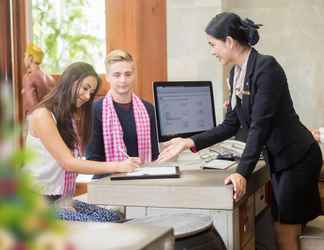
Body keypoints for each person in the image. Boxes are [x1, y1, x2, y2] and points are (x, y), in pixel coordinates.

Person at [158, 12, 322, 250]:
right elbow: (231, 124)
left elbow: (260, 125)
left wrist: (242, 172)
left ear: (230, 42)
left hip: (297, 158)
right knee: (286, 228)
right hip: (282, 159)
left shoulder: (267, 68)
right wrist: (190, 141)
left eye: (213, 45)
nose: (212, 51)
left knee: (284, 232)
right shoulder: (236, 74)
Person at [23, 62, 140, 222]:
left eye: (91, 92)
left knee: (115, 218)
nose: (87, 97)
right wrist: (118, 165)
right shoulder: (42, 115)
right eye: (85, 88)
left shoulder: (68, 117)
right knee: (105, 226)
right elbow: (69, 163)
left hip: (61, 199)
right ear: (70, 81)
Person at [86, 49, 159, 179]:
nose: (123, 80)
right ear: (107, 77)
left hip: (143, 180)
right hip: (106, 183)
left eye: (128, 74)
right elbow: (92, 159)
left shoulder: (149, 109)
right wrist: (119, 167)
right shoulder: (95, 110)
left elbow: (154, 155)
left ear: (134, 75)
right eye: (117, 75)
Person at [21, 43, 55, 116]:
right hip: (50, 119)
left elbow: (33, 108)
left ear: (30, 58)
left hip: (35, 121)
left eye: (25, 56)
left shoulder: (28, 77)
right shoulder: (50, 78)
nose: (24, 59)